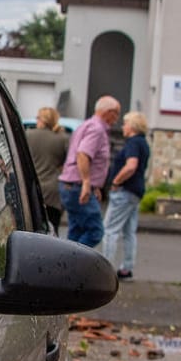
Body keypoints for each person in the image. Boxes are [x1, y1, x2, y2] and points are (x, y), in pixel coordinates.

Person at [58, 96, 118, 248]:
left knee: (76, 231)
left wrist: (94, 186)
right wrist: (86, 183)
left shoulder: (86, 125)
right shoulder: (97, 130)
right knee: (95, 231)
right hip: (78, 186)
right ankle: (74, 262)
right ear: (109, 112)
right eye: (116, 114)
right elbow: (83, 154)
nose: (117, 119)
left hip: (71, 185)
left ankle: (67, 265)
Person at [100, 111, 150, 280]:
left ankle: (104, 269)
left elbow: (131, 165)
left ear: (133, 126)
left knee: (110, 230)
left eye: (125, 123)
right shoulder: (143, 143)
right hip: (136, 191)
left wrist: (116, 181)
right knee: (129, 231)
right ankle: (126, 268)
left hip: (124, 191)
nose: (123, 127)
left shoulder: (132, 143)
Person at [24, 107, 69, 233]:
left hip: (32, 189)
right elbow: (70, 163)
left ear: (42, 119)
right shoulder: (62, 138)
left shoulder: (28, 135)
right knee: (52, 229)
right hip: (53, 192)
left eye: (37, 117)